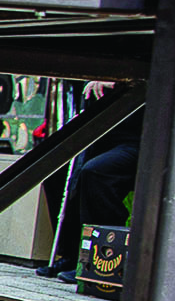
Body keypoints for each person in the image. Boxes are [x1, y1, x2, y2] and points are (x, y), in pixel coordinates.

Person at [39, 81, 139, 283]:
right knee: (55, 172)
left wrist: (119, 81)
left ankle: (101, 258)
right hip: (102, 135)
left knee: (97, 172)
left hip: (143, 140)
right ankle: (71, 254)